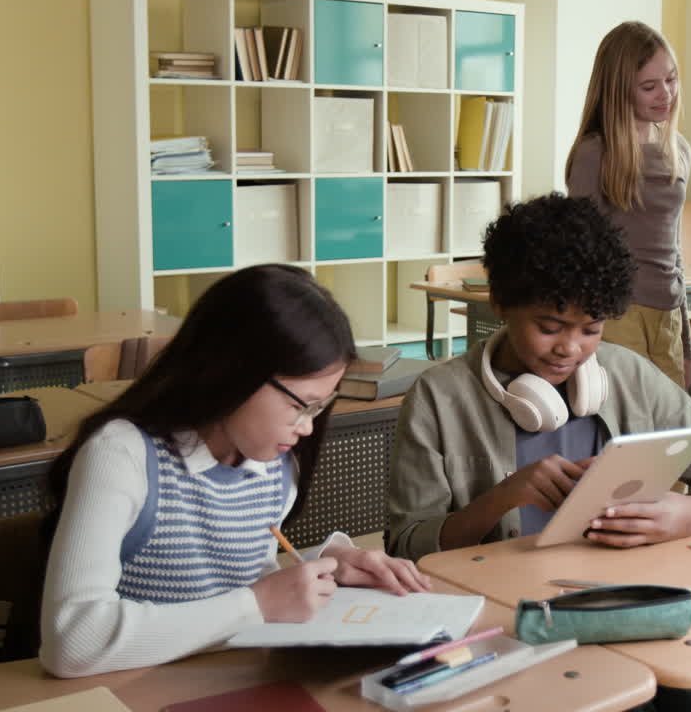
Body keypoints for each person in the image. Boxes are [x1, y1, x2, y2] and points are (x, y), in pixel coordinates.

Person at [387, 193, 691, 712]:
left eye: (590, 330)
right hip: (502, 625)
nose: (570, 348)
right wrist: (502, 498)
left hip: (618, 610)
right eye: (549, 327)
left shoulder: (626, 376)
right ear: (500, 303)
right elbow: (407, 546)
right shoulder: (438, 397)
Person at [39, 265, 430, 678]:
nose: (309, 426)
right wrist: (256, 605)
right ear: (232, 370)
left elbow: (236, 585)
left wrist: (328, 564)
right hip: (132, 689)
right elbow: (72, 641)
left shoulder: (275, 465)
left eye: (320, 407)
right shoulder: (122, 454)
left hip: (234, 680)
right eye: (301, 405)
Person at [566, 21, 691, 389]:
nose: (665, 94)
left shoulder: (679, 149)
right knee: (624, 432)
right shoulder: (596, 153)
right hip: (616, 315)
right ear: (620, 90)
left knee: (669, 432)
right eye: (649, 86)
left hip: (667, 313)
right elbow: (578, 257)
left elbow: (674, 251)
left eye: (671, 80)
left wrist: (685, 345)